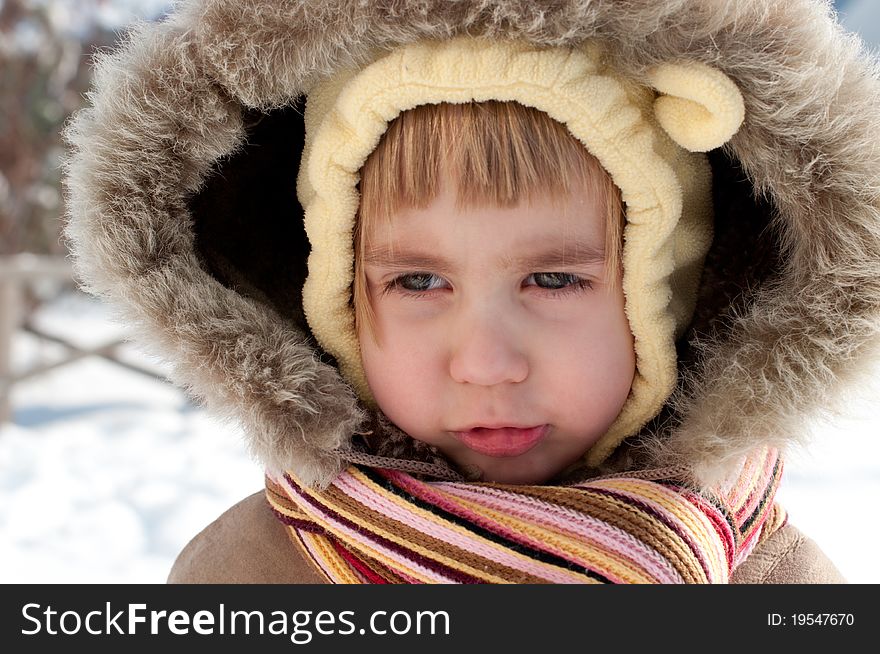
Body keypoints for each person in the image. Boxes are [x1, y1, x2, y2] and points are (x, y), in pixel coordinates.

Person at [62, 0, 880, 583]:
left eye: (554, 279)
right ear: (336, 304)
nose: (486, 363)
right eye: (418, 281)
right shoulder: (252, 582)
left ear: (667, 296)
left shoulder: (777, 589)